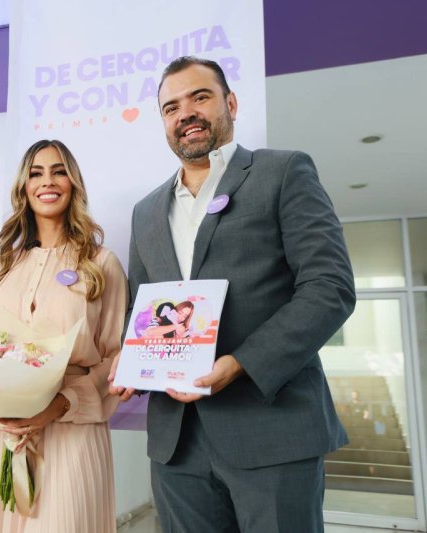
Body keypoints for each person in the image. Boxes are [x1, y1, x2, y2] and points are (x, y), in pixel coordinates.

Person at [109, 56, 356, 533]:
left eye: (199, 97)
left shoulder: (283, 171)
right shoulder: (146, 211)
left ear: (231, 104)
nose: (185, 113)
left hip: (272, 430)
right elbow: (142, 309)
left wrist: (240, 363)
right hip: (176, 445)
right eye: (171, 107)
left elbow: (330, 288)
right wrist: (133, 357)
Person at [0, 140, 127, 532]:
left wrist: (57, 406)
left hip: (72, 430)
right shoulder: (6, 264)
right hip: (4, 435)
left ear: (74, 183)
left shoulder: (101, 263)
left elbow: (115, 358)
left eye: (59, 172)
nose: (48, 182)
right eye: (36, 173)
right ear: (24, 187)